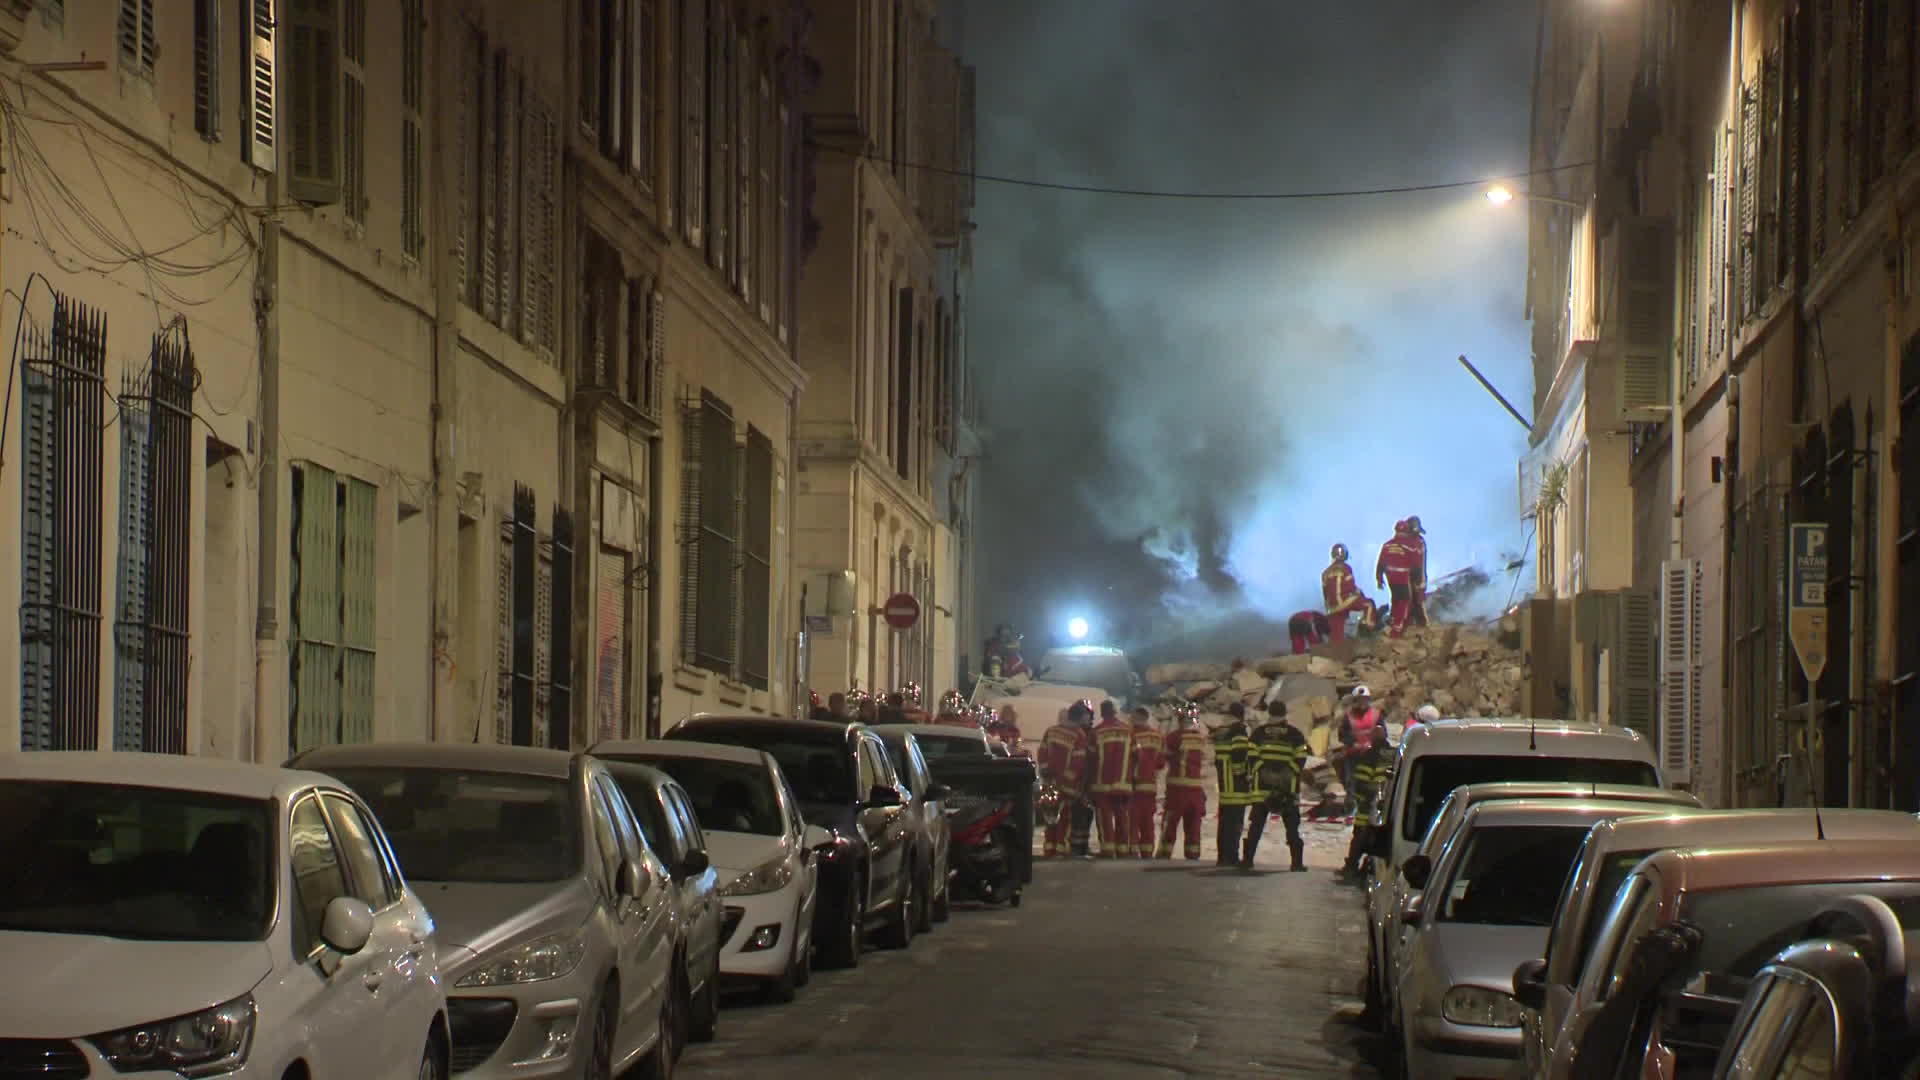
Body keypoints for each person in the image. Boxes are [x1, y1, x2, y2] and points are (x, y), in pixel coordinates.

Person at [1244, 699, 1309, 872]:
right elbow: (1301, 757)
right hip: (1288, 788)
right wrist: (1286, 774)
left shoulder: (1259, 733)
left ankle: (1247, 861)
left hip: (1262, 788)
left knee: (1256, 826)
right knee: (1292, 826)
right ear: (1285, 714)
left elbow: (1251, 754)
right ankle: (1297, 863)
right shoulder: (1295, 734)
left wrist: (1264, 772)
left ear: (1269, 713)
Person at [1338, 725, 1395, 883]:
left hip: (1369, 804)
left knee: (1359, 838)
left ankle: (1351, 868)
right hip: (1391, 806)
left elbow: (1360, 782)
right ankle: (1368, 869)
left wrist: (1357, 799)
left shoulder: (1369, 755)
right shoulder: (1396, 754)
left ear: (1372, 739)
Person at [1038, 704, 1092, 857]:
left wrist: (1046, 772)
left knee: (1050, 816)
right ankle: (1060, 849)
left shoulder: (1051, 731)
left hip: (1049, 783)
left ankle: (1049, 848)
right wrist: (1069, 781)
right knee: (1065, 817)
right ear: (1080, 718)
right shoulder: (1079, 735)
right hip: (1067, 786)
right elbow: (1078, 762)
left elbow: (1042, 752)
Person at [1158, 704, 1209, 860]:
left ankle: (1164, 855)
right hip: (1196, 790)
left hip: (1177, 790)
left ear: (1180, 720)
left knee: (1170, 825)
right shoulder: (1200, 739)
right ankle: (1193, 856)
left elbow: (1161, 761)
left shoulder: (1173, 737)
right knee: (1193, 826)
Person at [1211, 703, 1257, 868]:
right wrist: (1242, 774)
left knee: (1224, 823)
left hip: (1224, 785)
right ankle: (1232, 857)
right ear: (1241, 715)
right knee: (1235, 823)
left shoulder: (1221, 731)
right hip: (1236, 786)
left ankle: (1222, 857)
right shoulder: (1238, 730)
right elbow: (1239, 752)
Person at [1089, 699, 1134, 856]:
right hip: (1123, 784)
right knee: (1122, 815)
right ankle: (1123, 850)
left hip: (1102, 783)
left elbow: (1091, 759)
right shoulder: (1128, 730)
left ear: (1102, 713)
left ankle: (1108, 850)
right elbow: (1137, 755)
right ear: (1115, 712)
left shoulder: (1096, 732)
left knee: (1104, 816)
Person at [1126, 706, 1165, 860]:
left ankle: (1132, 852)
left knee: (1133, 820)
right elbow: (1161, 763)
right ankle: (1148, 852)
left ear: (1137, 717)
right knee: (1147, 821)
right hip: (1150, 785)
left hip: (1134, 785)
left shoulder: (1131, 735)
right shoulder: (1158, 736)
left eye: (1131, 717)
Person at [1337, 686, 1382, 816]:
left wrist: (1372, 744)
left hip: (1372, 755)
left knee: (1371, 783)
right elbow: (1342, 734)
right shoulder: (1348, 716)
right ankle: (1351, 810)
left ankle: (1371, 808)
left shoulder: (1376, 714)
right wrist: (1353, 743)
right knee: (1351, 783)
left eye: (1364, 700)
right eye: (1359, 700)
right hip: (1353, 755)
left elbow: (1381, 732)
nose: (1362, 703)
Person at [1322, 543, 1379, 641]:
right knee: (1369, 604)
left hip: (1332, 607)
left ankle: (1336, 650)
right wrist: (1360, 594)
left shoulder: (1325, 572)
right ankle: (1367, 630)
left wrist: (1330, 608)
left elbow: (1325, 593)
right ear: (1345, 555)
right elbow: (1352, 588)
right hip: (1346, 601)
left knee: (1336, 634)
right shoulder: (1346, 568)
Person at [1376, 521, 1419, 638]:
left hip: (1390, 578)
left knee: (1395, 598)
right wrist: (1418, 579)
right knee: (1405, 601)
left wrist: (1379, 579)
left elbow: (1380, 563)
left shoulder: (1387, 545)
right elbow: (1416, 565)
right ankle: (1397, 628)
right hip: (1403, 577)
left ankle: (1393, 619)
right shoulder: (1409, 546)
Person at [1403, 516, 1430, 628]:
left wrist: (1423, 578)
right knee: (1407, 599)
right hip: (1407, 574)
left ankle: (1425, 623)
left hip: (1418, 574)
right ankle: (1407, 622)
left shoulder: (1420, 542)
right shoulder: (1404, 542)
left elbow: (1423, 560)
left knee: (1420, 598)